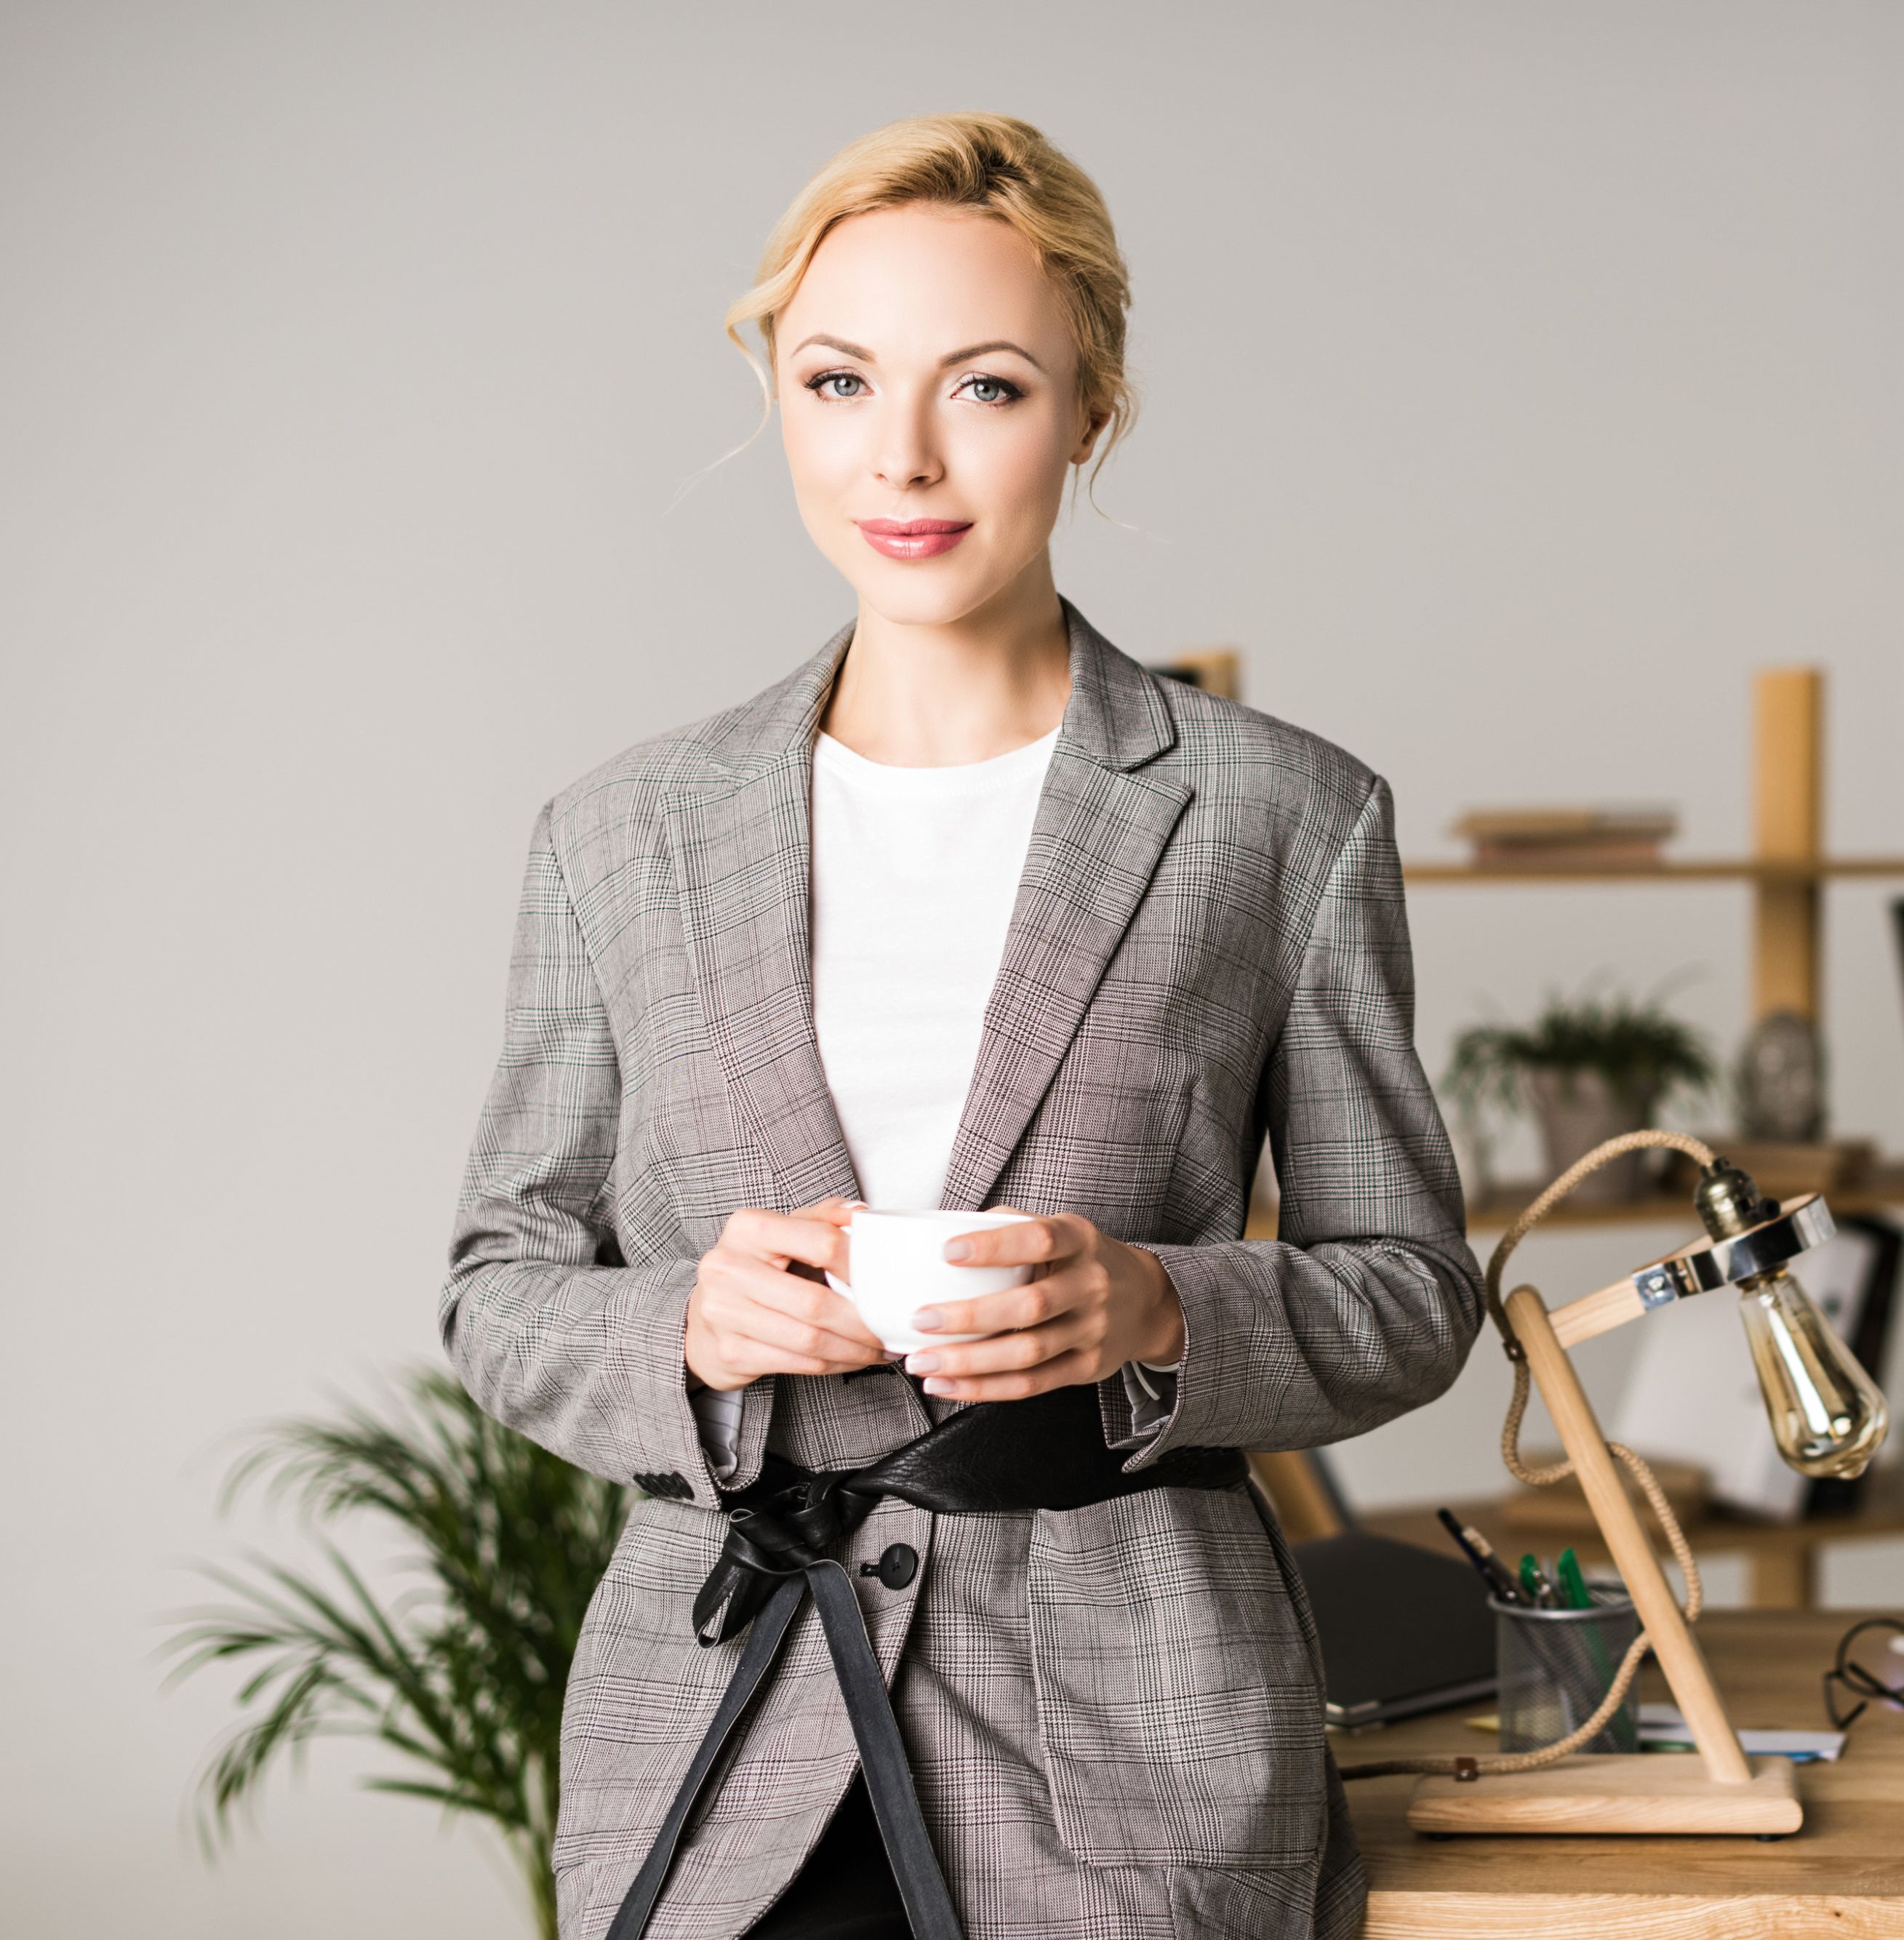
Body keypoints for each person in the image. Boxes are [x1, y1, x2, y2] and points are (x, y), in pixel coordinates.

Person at [444, 113, 1477, 1940]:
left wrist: (1162, 1304)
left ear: (1090, 409)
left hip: (1132, 1758)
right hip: (723, 1733)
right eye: (840, 380)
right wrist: (685, 1320)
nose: (901, 455)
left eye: (984, 386)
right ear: (781, 392)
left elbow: (1407, 1285)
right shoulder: (620, 831)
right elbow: (500, 1278)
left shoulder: (1280, 817)